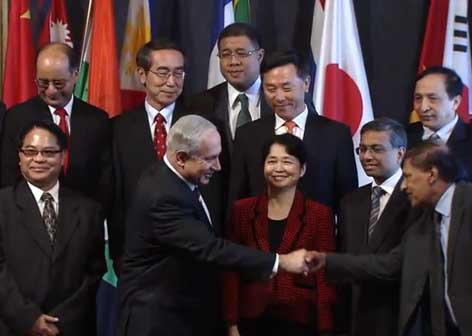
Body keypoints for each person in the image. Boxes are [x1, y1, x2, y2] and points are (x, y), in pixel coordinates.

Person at [116, 115, 318, 336]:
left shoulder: (173, 178)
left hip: (180, 314)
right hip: (157, 321)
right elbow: (211, 249)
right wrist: (282, 261)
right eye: (210, 158)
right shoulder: (163, 196)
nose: (218, 166)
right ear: (181, 158)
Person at [312, 140, 471, 336]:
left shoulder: (468, 203)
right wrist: (326, 260)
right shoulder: (426, 222)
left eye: (408, 177)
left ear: (432, 175)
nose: (403, 187)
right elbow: (388, 265)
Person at [0, 120, 105, 336]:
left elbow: (94, 272)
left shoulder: (88, 210)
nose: (39, 159)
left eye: (48, 152)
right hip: (13, 327)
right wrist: (28, 319)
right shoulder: (3, 205)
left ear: (62, 156)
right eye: (30, 151)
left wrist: (61, 322)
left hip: (71, 328)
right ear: (19, 157)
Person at [224, 133, 336, 336]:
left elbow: (324, 277)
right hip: (251, 317)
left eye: (287, 161)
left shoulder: (319, 214)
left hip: (300, 319)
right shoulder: (242, 210)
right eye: (272, 161)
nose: (278, 168)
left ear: (302, 169)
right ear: (263, 166)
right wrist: (231, 323)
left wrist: (326, 328)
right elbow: (232, 270)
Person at [230, 50, 357, 212]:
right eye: (271, 89)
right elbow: (237, 198)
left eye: (286, 88)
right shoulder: (247, 135)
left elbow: (348, 200)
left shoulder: (336, 134)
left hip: (319, 234)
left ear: (306, 83)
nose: (279, 97)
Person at [0, 42, 112, 214]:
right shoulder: (17, 117)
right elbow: (8, 175)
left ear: (75, 75)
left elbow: (105, 181)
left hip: (82, 219)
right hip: (28, 217)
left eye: (59, 83)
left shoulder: (97, 120)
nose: (51, 91)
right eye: (43, 83)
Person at [335, 118, 419, 336]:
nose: (366, 157)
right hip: (355, 319)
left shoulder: (416, 199)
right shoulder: (350, 201)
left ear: (400, 154)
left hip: (399, 318)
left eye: (376, 149)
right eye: (362, 149)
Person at [110, 39, 189, 268]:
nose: (171, 82)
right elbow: (115, 194)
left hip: (190, 252)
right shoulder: (118, 128)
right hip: (136, 253)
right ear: (142, 75)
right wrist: (118, 250)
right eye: (163, 73)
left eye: (179, 73)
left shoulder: (202, 123)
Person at [189, 22, 271, 232]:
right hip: (219, 222)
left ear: (260, 56)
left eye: (242, 53)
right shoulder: (201, 104)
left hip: (271, 215)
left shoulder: (281, 101)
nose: (233, 61)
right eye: (225, 54)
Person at [407, 66, 472, 180]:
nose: (423, 107)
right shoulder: (402, 137)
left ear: (455, 102)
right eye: (418, 98)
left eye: (433, 98)